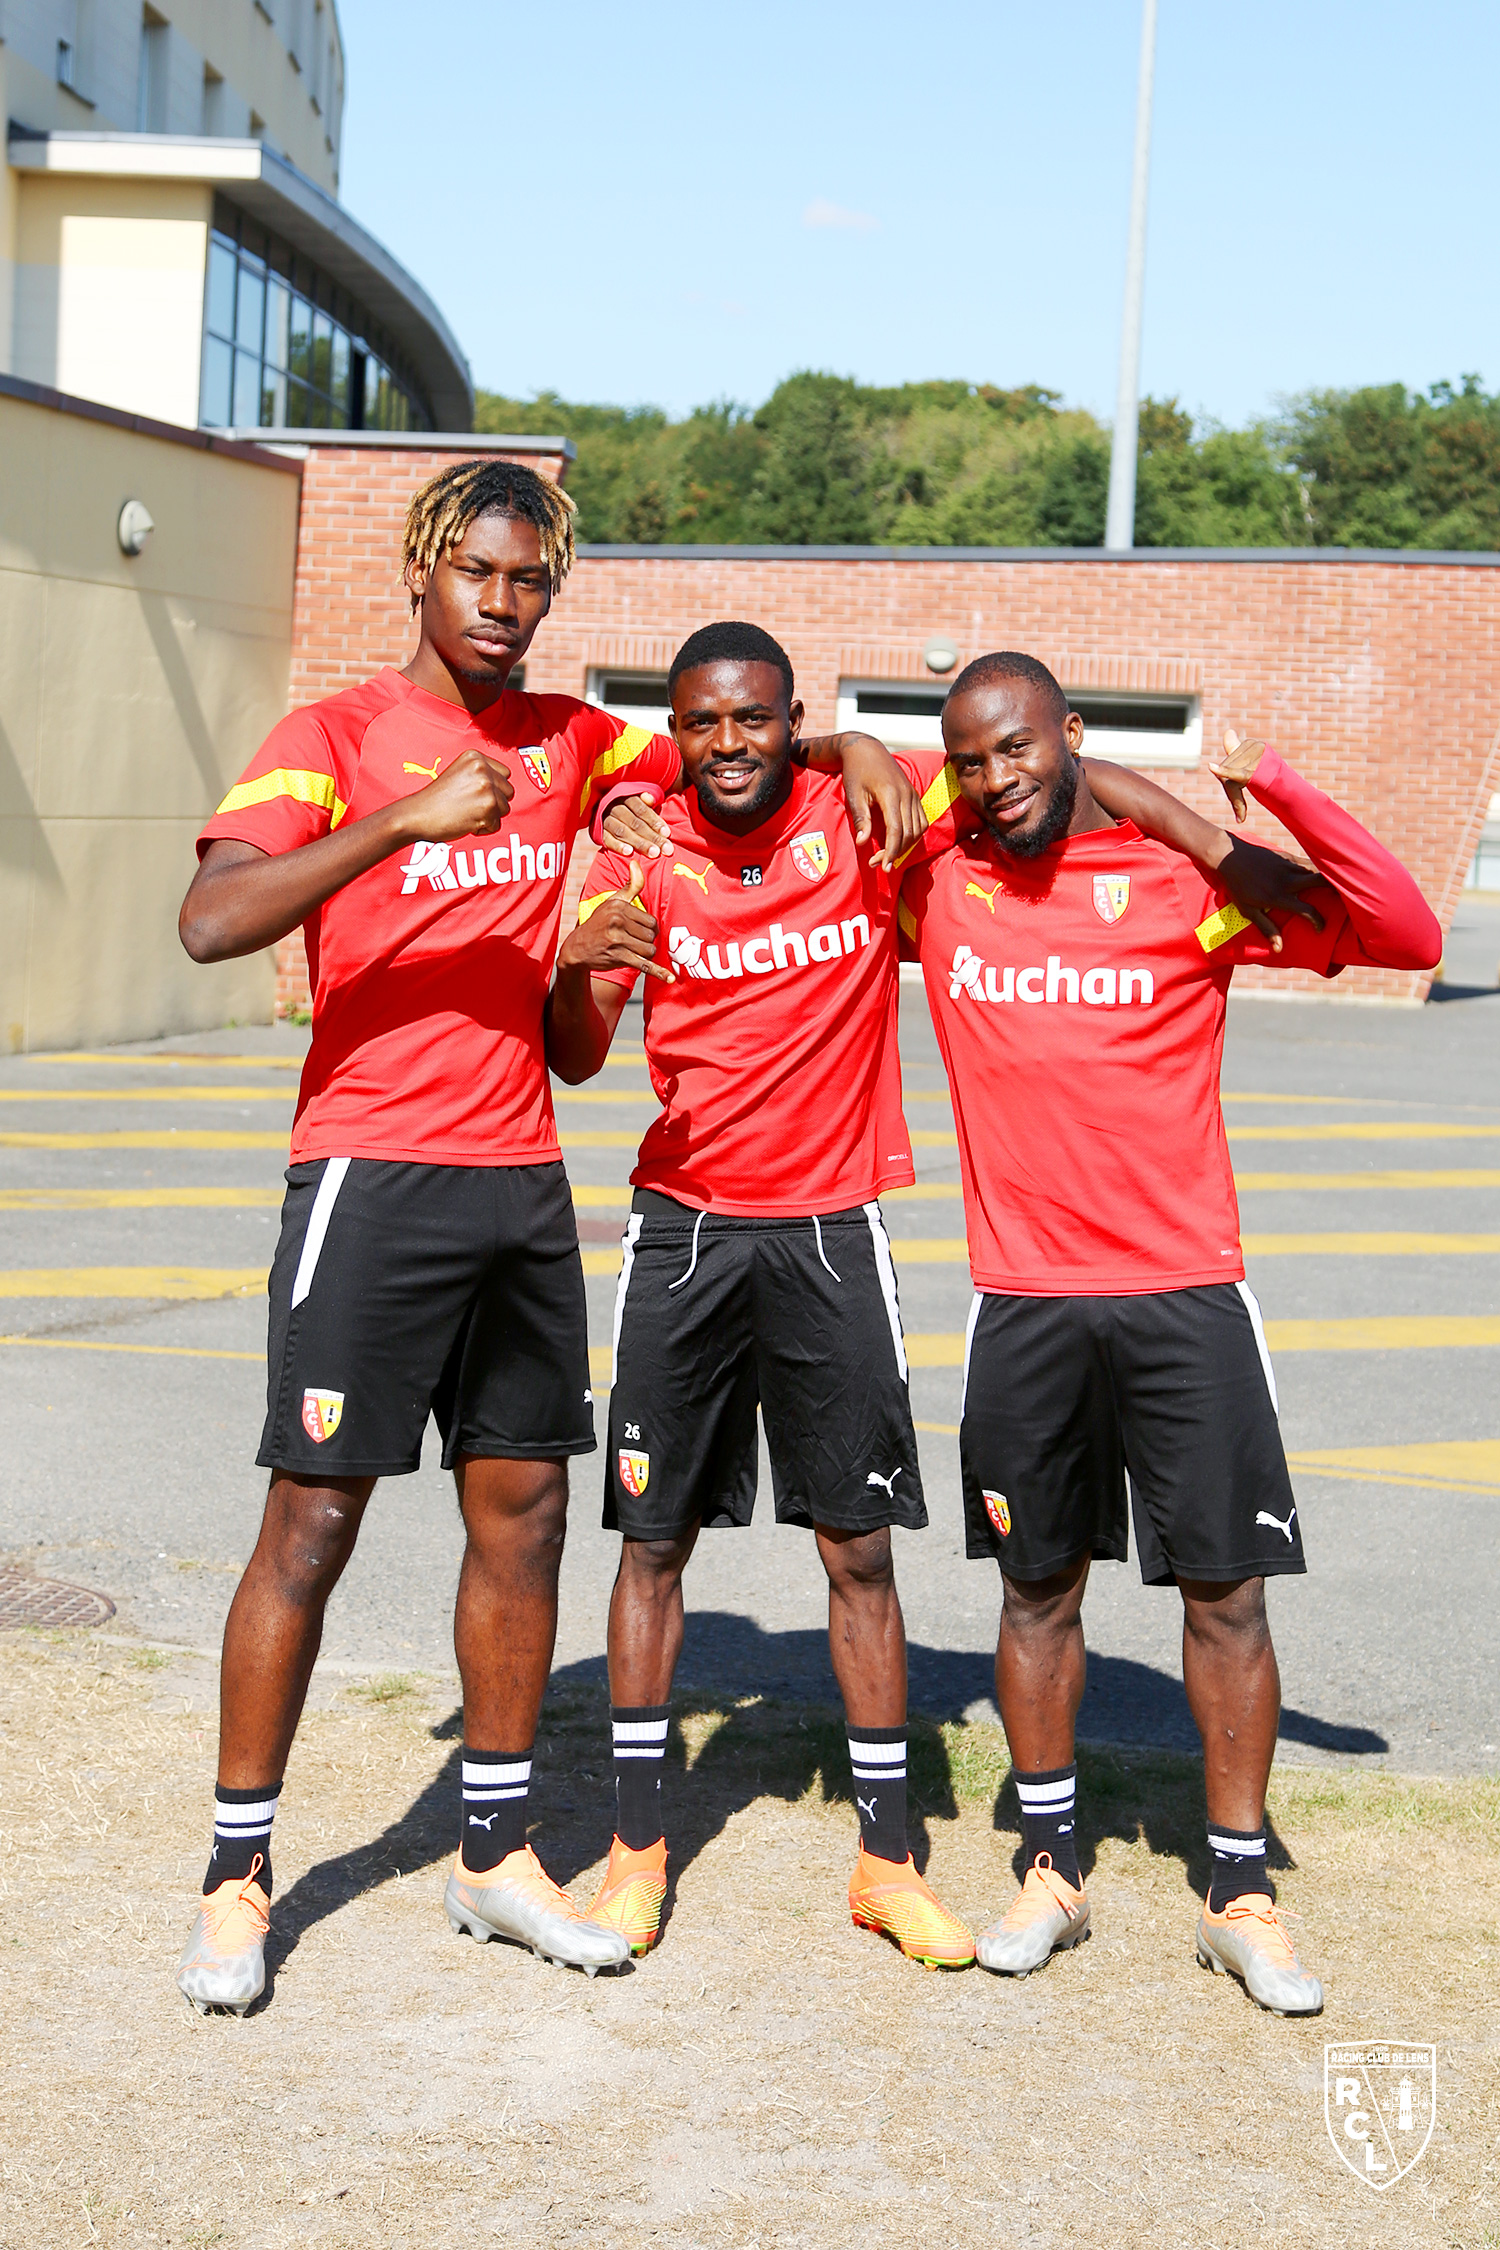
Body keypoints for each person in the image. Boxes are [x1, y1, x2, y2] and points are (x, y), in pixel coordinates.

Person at [171, 464, 916, 2014]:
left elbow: (735, 750)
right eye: (483, 576)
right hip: (369, 1175)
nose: (506, 606)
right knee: (310, 1524)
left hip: (520, 1186)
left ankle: (495, 1853)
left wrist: (843, 742)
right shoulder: (330, 740)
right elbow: (214, 920)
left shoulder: (579, 741)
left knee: (523, 1520)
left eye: (532, 584)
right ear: (426, 571)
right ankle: (237, 1877)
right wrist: (406, 818)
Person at [545, 620, 1311, 1970]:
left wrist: (851, 745)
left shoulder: (868, 806)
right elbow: (577, 1054)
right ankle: (633, 1849)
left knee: (859, 1551)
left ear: (796, 721)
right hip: (683, 1231)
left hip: (837, 1227)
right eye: (703, 723)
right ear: (678, 730)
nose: (730, 742)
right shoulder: (641, 844)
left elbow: (1023, 773)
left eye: (761, 719)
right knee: (651, 1542)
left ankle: (888, 1858)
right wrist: (568, 959)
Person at [896, 651, 1441, 2012]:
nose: (992, 777)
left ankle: (1242, 1886)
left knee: (1226, 1593)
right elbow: (843, 782)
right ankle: (1049, 1861)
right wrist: (892, 761)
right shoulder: (942, 886)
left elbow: (1406, 932)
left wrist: (1258, 795)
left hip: (1187, 1296)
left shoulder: (1190, 892)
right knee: (1037, 1591)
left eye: (1019, 748)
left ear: (1071, 736)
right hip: (1023, 1302)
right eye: (967, 758)